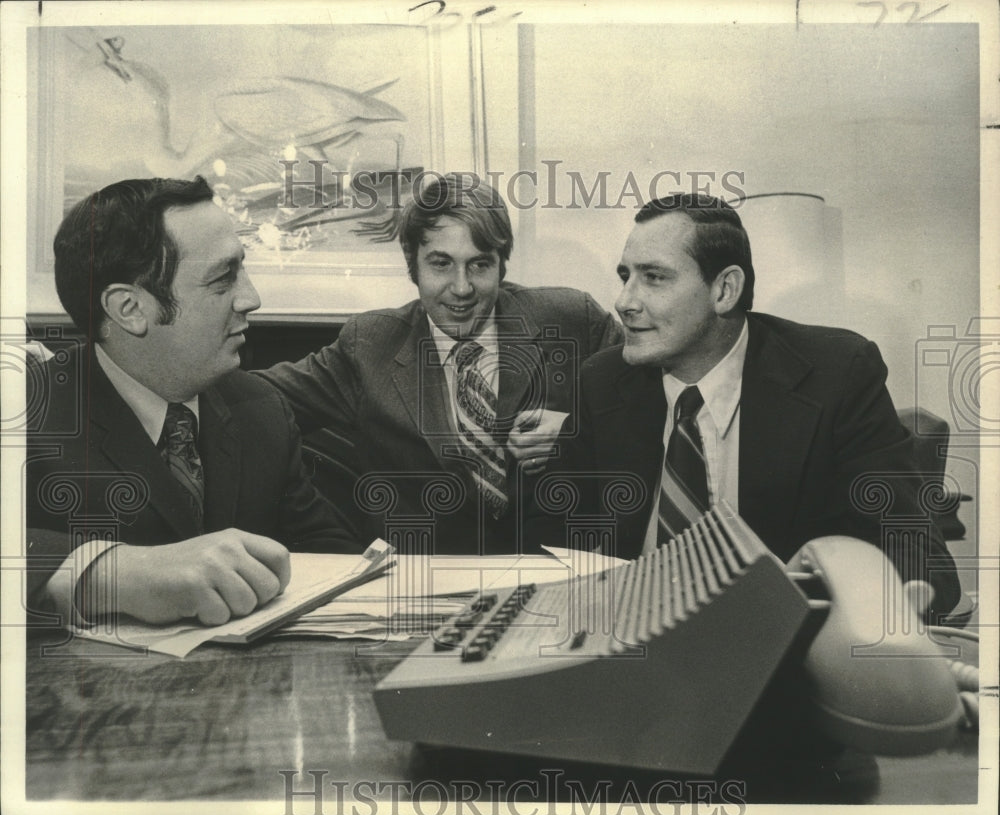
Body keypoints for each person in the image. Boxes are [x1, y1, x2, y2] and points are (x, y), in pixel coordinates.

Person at [527, 194, 960, 617]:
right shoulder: (603, 380)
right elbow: (547, 542)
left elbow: (920, 560)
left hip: (785, 652)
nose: (624, 301)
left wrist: (833, 594)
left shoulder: (838, 374)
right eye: (626, 276)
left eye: (654, 277)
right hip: (638, 648)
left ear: (725, 290)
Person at [26, 176, 361, 629]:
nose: (252, 298)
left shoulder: (260, 408)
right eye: (223, 278)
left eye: (242, 269)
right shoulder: (27, 417)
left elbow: (331, 555)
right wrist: (108, 572)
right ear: (129, 309)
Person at [258, 173, 622, 555]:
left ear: (502, 266)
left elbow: (652, 401)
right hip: (423, 587)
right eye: (441, 264)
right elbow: (257, 401)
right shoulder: (368, 345)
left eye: (480, 265)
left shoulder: (571, 320)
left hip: (558, 576)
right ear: (413, 266)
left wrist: (573, 428)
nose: (462, 288)